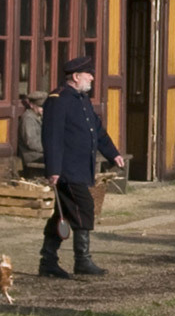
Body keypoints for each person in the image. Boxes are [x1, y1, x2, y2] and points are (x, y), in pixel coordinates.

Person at [39, 57, 123, 279]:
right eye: (89, 74)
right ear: (76, 77)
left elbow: (97, 131)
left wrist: (113, 153)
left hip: (80, 168)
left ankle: (48, 261)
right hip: (66, 170)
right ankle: (82, 260)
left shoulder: (82, 99)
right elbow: (52, 137)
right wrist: (53, 170)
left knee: (64, 213)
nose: (92, 78)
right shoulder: (58, 100)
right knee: (84, 206)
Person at [15, 92, 47, 179]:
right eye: (41, 106)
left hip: (39, 153)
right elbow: (31, 143)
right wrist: (48, 149)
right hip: (31, 155)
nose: (43, 109)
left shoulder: (40, 117)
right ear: (32, 105)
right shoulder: (28, 119)